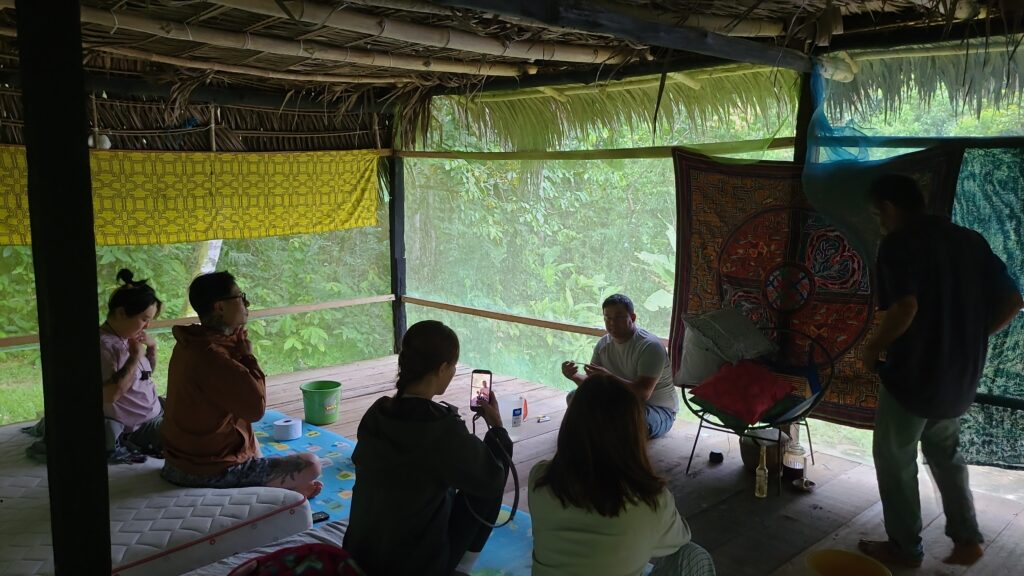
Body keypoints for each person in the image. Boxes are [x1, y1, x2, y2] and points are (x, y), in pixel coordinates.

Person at [857, 174, 1023, 568]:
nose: (878, 221)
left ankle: (904, 548)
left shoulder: (898, 244)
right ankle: (967, 539)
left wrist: (873, 348)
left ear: (890, 208)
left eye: (877, 213)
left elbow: (905, 308)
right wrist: (969, 336)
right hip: (960, 376)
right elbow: (1014, 300)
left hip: (914, 375)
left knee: (894, 459)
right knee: (945, 452)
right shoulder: (970, 241)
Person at [344, 320, 511, 576]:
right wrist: (497, 427)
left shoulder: (377, 412)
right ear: (443, 368)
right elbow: (492, 479)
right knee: (492, 471)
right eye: (453, 365)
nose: (454, 371)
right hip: (413, 565)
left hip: (361, 552)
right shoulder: (440, 427)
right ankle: (459, 568)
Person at [530, 374, 715, 576]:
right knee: (693, 555)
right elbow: (679, 540)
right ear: (634, 433)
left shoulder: (540, 478)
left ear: (570, 425)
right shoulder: (651, 499)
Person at [160, 271, 322, 498]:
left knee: (250, 438)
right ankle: (277, 490)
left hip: (178, 462)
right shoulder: (213, 356)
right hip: (205, 471)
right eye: (239, 297)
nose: (247, 302)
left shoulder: (191, 342)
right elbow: (256, 409)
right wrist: (248, 357)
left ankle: (272, 482)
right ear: (220, 307)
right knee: (311, 464)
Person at [561, 294, 678, 439]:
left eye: (618, 317)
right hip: (620, 403)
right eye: (607, 318)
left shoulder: (650, 346)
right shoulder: (603, 344)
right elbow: (593, 385)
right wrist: (574, 376)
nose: (612, 323)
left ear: (633, 317)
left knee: (623, 418)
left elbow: (643, 393)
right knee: (575, 397)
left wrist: (608, 377)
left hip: (656, 410)